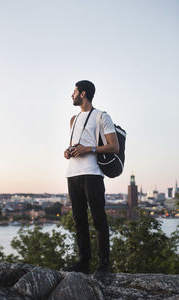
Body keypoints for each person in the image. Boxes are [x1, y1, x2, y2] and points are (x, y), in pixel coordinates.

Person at [63, 80, 119, 277]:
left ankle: (104, 266)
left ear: (83, 93)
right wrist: (68, 152)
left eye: (74, 91)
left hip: (93, 174)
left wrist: (89, 149)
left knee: (98, 220)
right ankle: (83, 263)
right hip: (73, 174)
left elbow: (114, 146)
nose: (72, 95)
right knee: (79, 221)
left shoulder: (102, 116)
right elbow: (75, 144)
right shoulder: (73, 119)